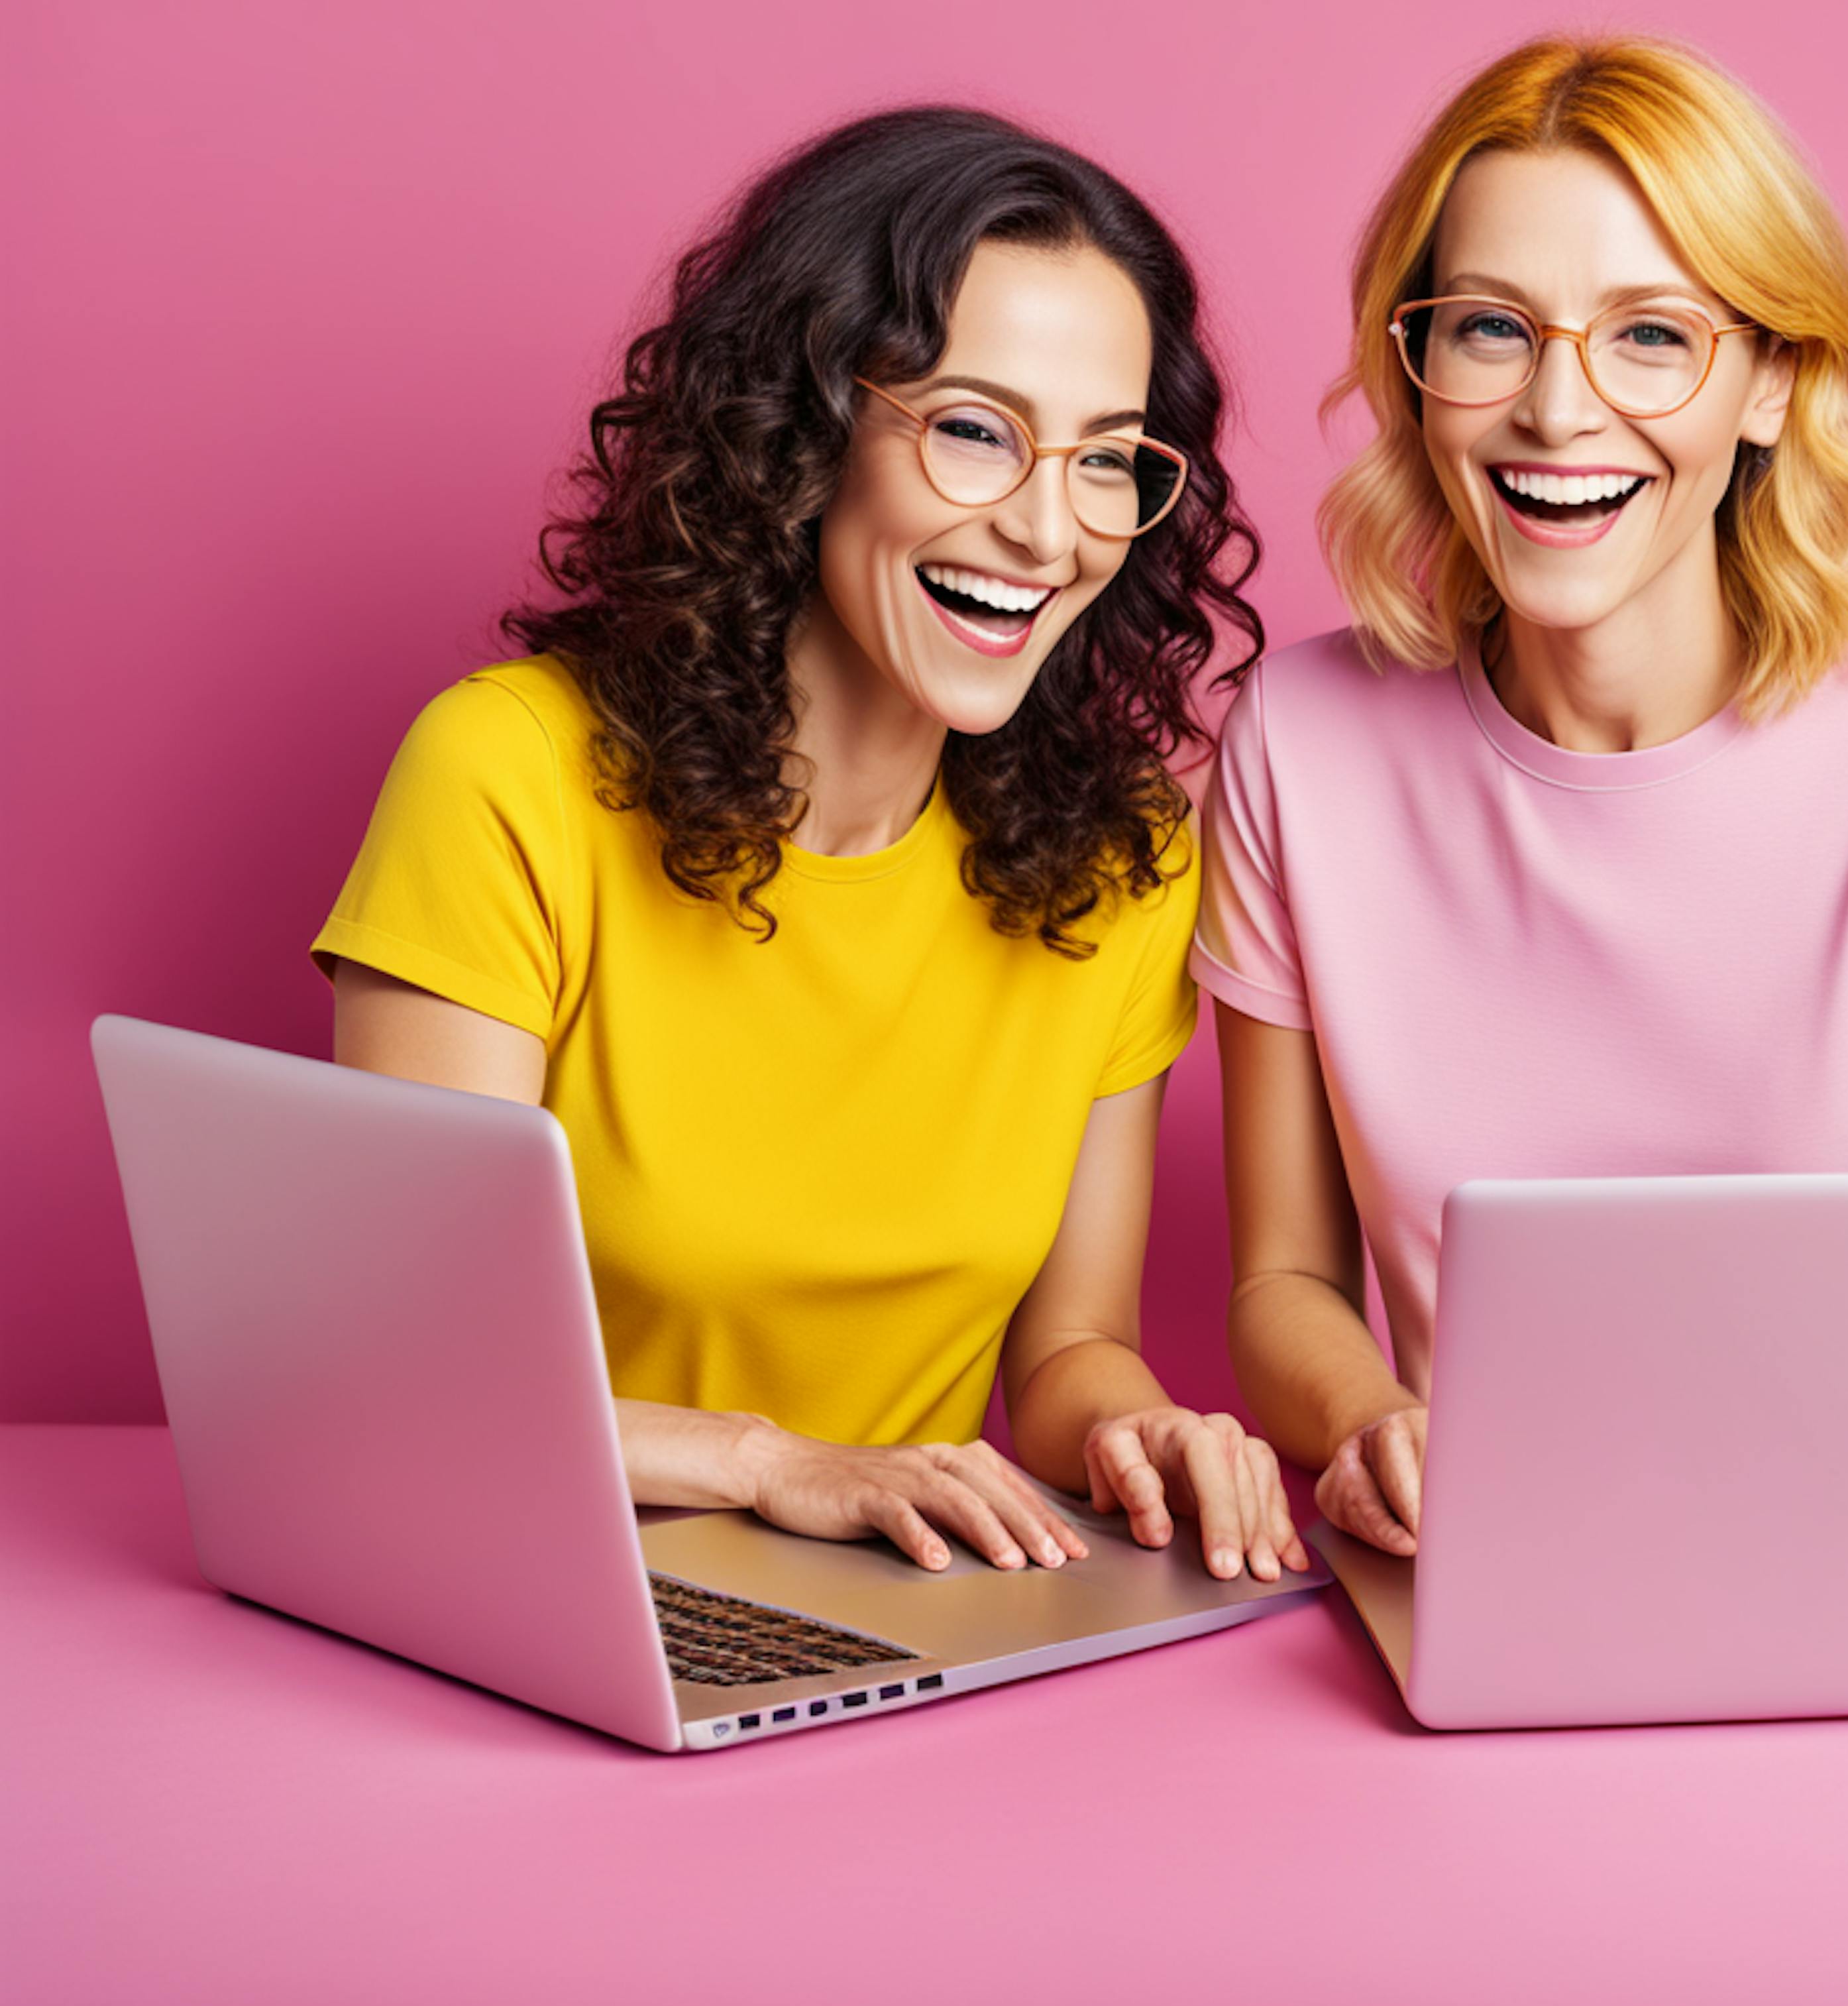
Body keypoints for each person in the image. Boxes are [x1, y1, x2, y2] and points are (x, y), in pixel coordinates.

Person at [1201, 36, 1848, 1558]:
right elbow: (1285, 1291)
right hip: (1493, 1570)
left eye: (1651, 337)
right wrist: (1373, 1425)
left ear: (1775, 382)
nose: (1558, 413)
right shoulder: (1296, 747)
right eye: (1491, 331)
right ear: (1418, 370)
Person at [320, 107, 1307, 1583]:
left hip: (896, 1629)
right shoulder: (510, 777)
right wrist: (771, 1466)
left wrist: (1136, 1432)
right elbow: (413, 1383)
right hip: (522, 1585)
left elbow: (1067, 1353)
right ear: (805, 428)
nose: (1051, 532)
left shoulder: (1124, 863)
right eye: (976, 431)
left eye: (1108, 459)